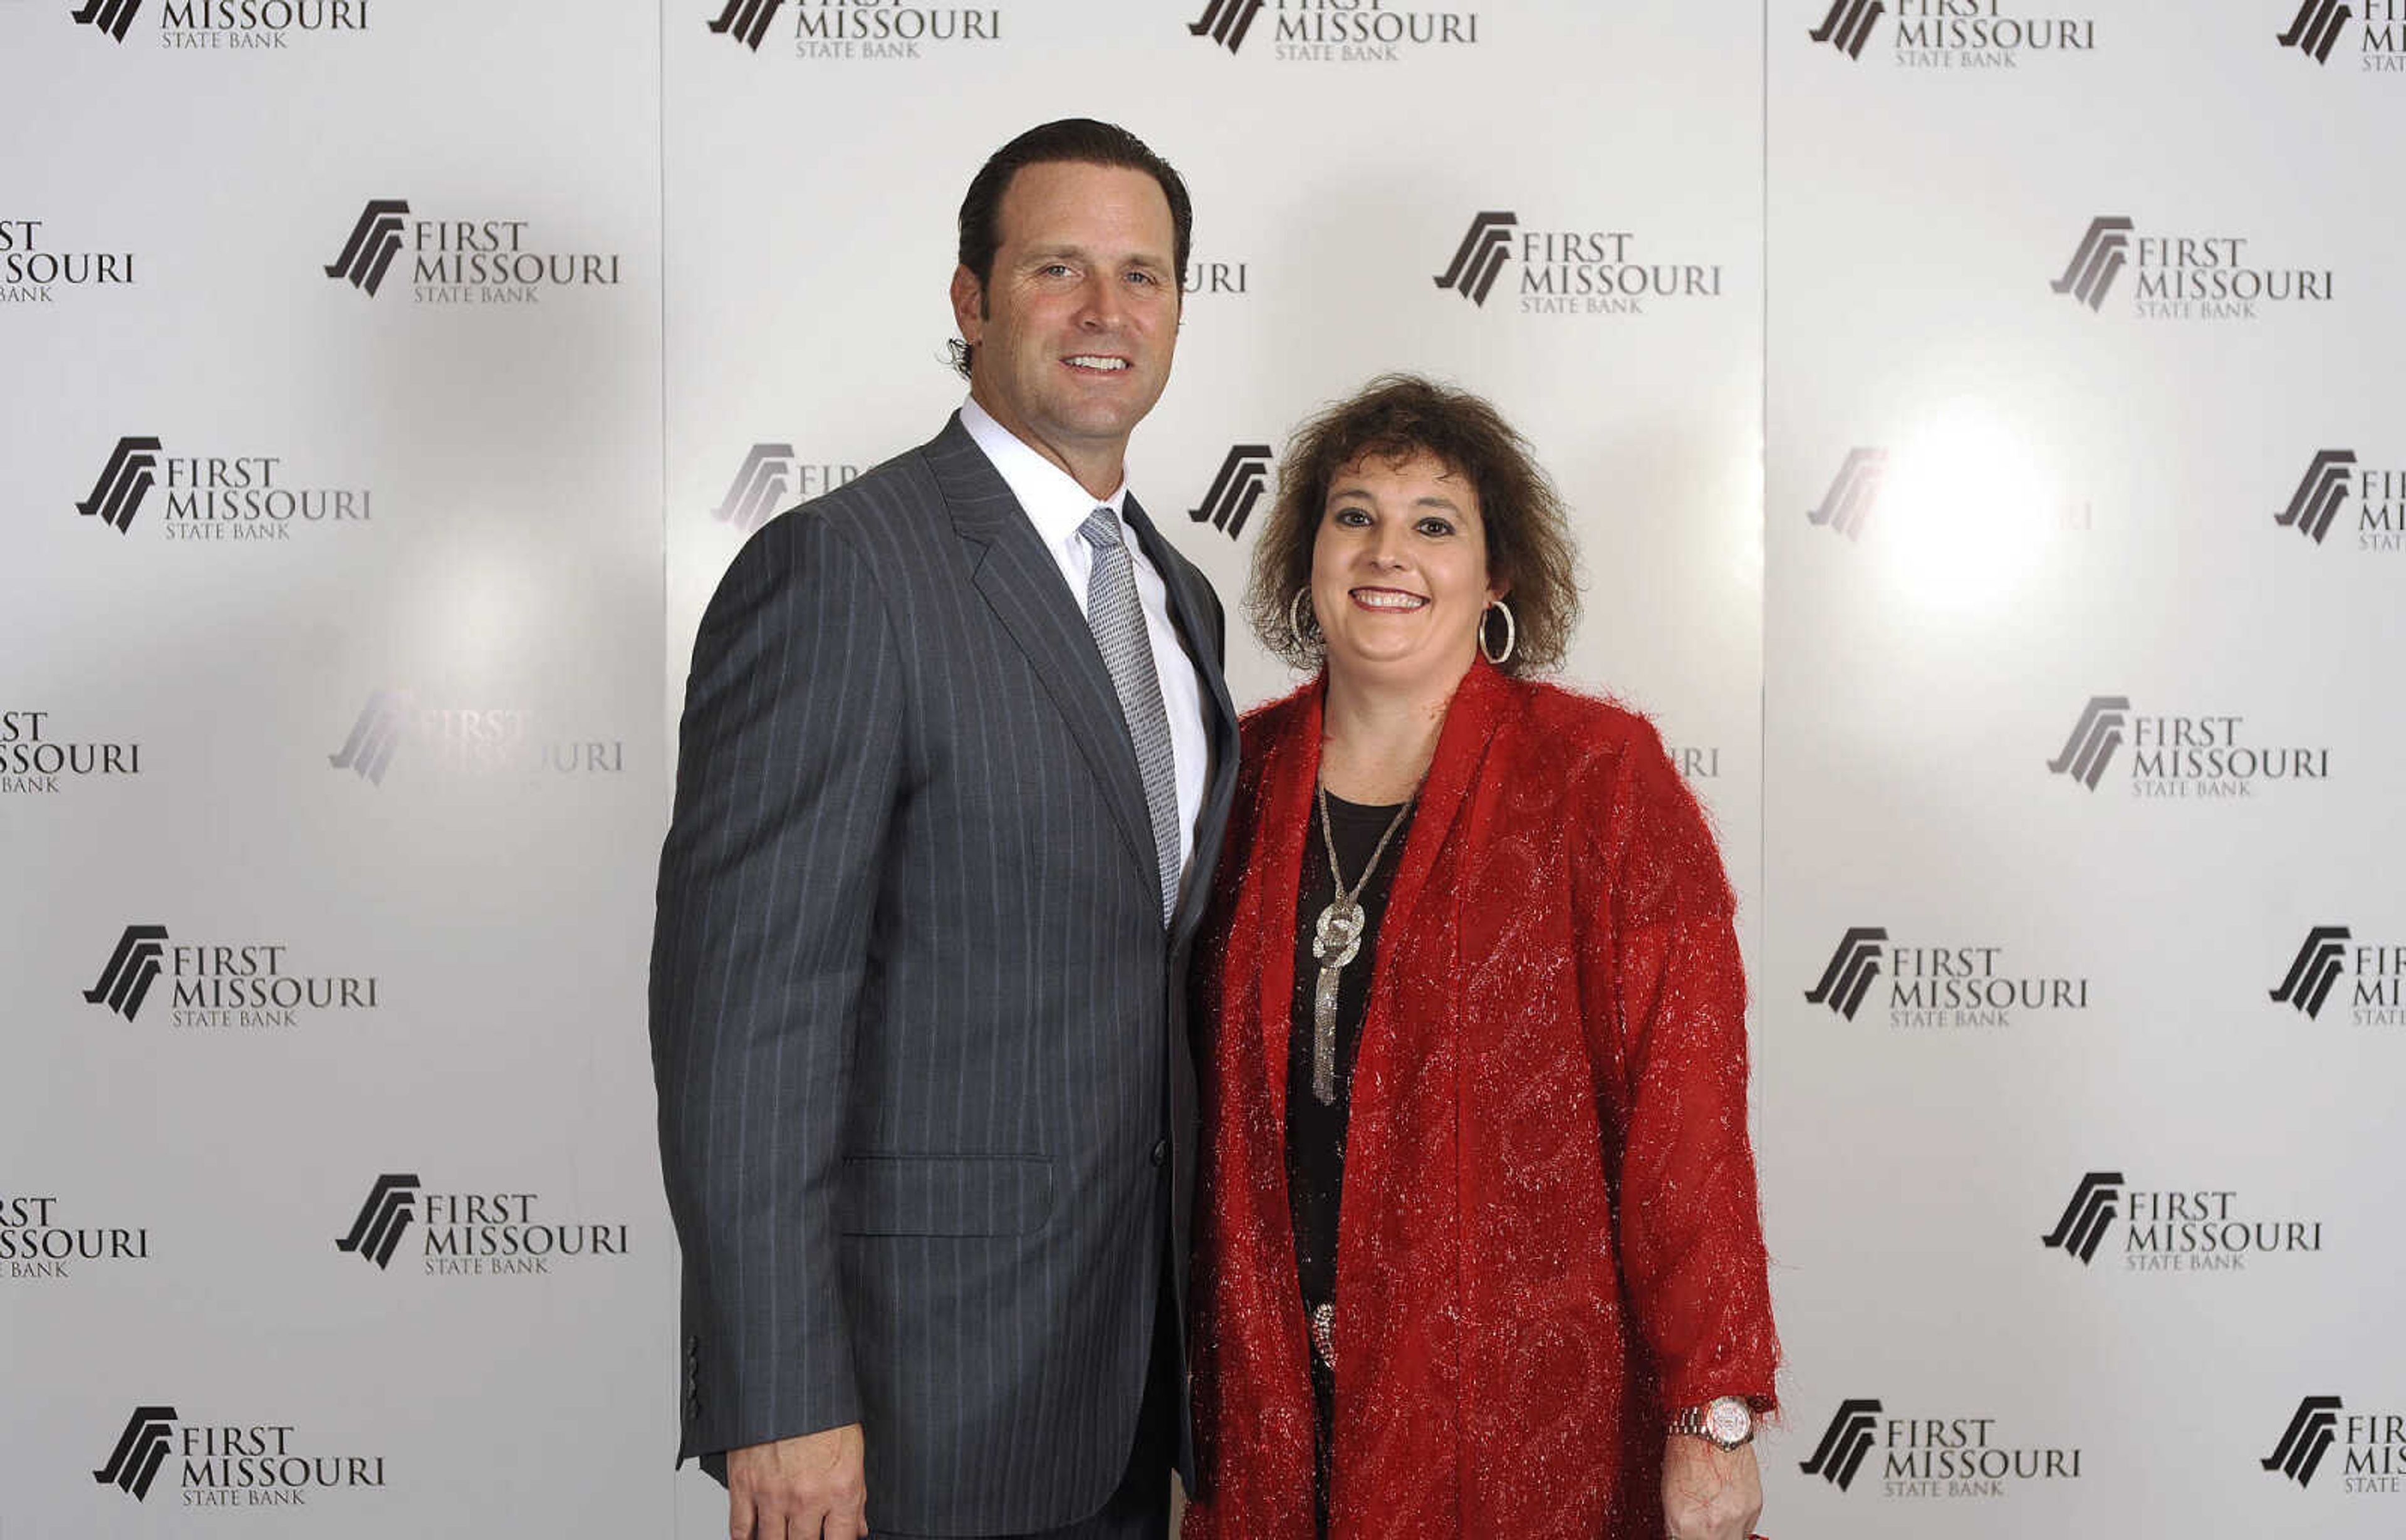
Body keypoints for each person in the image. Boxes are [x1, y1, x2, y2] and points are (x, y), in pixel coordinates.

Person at [650, 120, 1239, 1540]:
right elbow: (744, 1018)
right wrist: (779, 1392)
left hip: (1139, 1400)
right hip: (909, 1406)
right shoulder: (845, 571)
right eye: (1059, 269)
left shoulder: (1184, 600)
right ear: (970, 299)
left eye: (1144, 276)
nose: (1109, 313)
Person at [1181, 376, 1779, 1540]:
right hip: (1271, 1426)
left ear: (1495, 575)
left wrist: (1713, 1413)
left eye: (1434, 523)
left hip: (1516, 1424)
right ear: (1308, 554)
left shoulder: (1598, 778)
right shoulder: (1235, 780)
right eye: (1353, 514)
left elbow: (1687, 1117)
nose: (1386, 550)